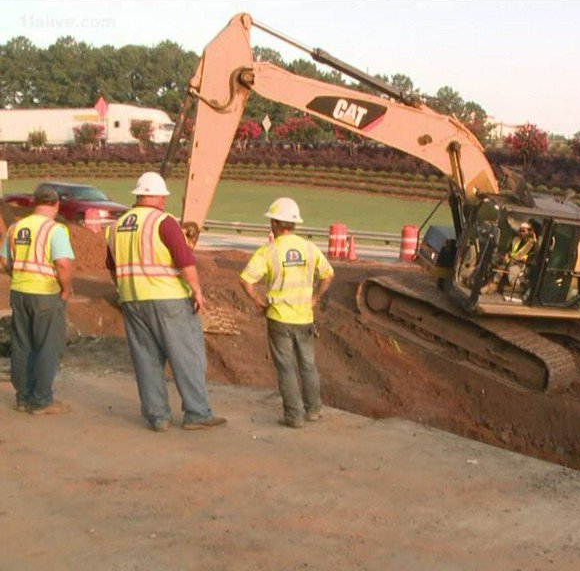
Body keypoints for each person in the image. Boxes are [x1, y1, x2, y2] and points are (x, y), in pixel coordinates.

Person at [105, 171, 226, 432]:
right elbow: (185, 262)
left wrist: (125, 289)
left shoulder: (116, 226)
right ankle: (197, 413)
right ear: (159, 196)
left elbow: (112, 267)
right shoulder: (165, 222)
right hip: (169, 299)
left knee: (146, 360)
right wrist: (197, 290)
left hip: (132, 300)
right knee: (187, 356)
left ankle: (158, 417)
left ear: (138, 195)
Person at [239, 198, 334, 429]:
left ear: (274, 224)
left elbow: (245, 280)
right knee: (308, 365)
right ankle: (313, 410)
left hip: (279, 318)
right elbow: (328, 274)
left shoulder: (269, 251)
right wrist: (314, 298)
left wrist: (257, 301)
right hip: (304, 317)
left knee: (285, 367)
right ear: (294, 224)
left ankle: (294, 416)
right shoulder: (309, 249)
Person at [1, 185, 75, 415]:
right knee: (47, 347)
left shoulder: (16, 227)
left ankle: (23, 397)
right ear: (56, 205)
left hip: (19, 293)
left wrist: (19, 276)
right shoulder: (55, 230)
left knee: (23, 345)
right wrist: (66, 289)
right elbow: (62, 264)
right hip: (46, 294)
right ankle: (42, 400)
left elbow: (4, 261)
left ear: (34, 203)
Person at [481, 222, 536, 295]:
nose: (521, 233)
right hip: (509, 262)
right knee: (499, 269)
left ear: (529, 232)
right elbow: (509, 250)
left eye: (523, 231)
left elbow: (533, 260)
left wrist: (525, 260)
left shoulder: (532, 244)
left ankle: (490, 287)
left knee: (511, 276)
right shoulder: (515, 239)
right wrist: (506, 255)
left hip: (520, 266)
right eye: (520, 231)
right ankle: (488, 287)